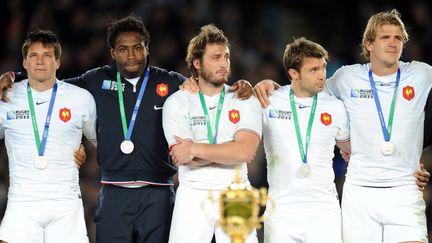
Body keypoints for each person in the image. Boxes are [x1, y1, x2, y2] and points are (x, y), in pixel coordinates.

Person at [0, 15, 253, 243]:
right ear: (112, 52)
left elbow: (210, 89)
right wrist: (13, 76)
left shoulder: (171, 82)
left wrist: (241, 85)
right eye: (123, 49)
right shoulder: (95, 80)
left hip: (159, 194)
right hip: (113, 193)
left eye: (137, 48)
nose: (131, 55)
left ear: (147, 49)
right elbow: (51, 84)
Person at [255, 9, 432, 243]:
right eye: (385, 37)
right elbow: (305, 92)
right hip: (359, 193)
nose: (393, 43)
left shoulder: (421, 73)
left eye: (398, 37)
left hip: (404, 189)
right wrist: (271, 86)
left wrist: (426, 158)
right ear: (369, 43)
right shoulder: (346, 78)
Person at [162, 24, 261, 243]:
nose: (224, 63)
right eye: (215, 58)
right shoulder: (177, 102)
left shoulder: (245, 98)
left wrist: (195, 149)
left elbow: (244, 152)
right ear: (197, 63)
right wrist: (226, 153)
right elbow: (182, 157)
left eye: (226, 57)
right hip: (193, 192)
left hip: (237, 192)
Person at [0, 30, 97, 243]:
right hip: (22, 203)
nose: (40, 61)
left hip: (65, 204)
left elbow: (102, 143)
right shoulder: (6, 97)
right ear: (24, 63)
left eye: (47, 55)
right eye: (33, 55)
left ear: (58, 62)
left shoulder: (80, 98)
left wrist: (86, 155)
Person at [262, 37, 350, 243]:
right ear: (293, 73)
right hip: (280, 211)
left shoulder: (336, 107)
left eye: (323, 68)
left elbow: (350, 150)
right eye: (313, 70)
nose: (322, 76)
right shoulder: (269, 102)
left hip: (323, 210)